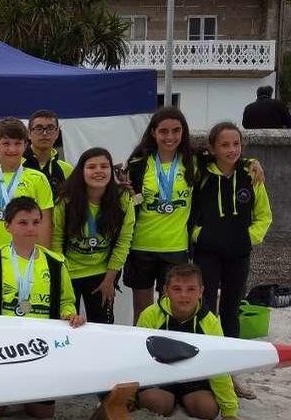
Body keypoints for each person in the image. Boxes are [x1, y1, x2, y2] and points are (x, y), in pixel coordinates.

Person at [0, 196, 84, 420]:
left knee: (42, 414)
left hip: (40, 344)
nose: (30, 228)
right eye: (23, 222)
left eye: (35, 222)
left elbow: (66, 300)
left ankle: (29, 393)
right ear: (7, 226)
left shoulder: (55, 262)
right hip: (1, 346)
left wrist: (69, 314)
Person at [192, 122, 272, 399]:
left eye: (236, 144)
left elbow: (264, 216)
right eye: (224, 145)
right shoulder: (200, 174)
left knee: (231, 310)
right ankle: (204, 374)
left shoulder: (251, 175)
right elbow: (190, 213)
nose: (231, 150)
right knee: (206, 311)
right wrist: (199, 236)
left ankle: (231, 375)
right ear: (212, 148)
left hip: (238, 253)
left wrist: (247, 238)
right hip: (207, 252)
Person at [135, 263, 244, 420]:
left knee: (207, 410)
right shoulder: (149, 316)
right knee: (155, 403)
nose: (184, 296)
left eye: (191, 289)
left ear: (201, 291)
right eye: (177, 289)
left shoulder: (210, 322)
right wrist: (126, 399)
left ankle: (184, 400)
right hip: (160, 378)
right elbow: (135, 357)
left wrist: (230, 410)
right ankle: (169, 400)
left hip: (194, 380)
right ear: (165, 290)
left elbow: (219, 366)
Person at [124, 107, 197, 324]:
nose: (170, 137)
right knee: (143, 313)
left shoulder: (193, 162)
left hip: (175, 248)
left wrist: (251, 164)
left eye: (176, 130)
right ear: (154, 132)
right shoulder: (138, 164)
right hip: (141, 247)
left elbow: (227, 161)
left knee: (173, 312)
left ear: (183, 132)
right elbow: (133, 201)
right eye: (164, 131)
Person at [52, 148, 135, 324]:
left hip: (102, 275)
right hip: (69, 273)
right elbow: (56, 240)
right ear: (81, 171)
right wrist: (61, 278)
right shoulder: (66, 199)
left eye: (104, 166)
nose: (98, 171)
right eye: (91, 167)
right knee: (66, 326)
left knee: (103, 327)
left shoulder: (122, 199)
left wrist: (109, 280)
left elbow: (123, 242)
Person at [0, 117, 54, 250]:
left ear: (25, 145)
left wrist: (42, 259)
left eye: (17, 143)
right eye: (6, 143)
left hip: (28, 259)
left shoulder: (37, 179)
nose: (12, 149)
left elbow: (45, 225)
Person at [22, 109, 74, 201]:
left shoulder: (67, 170)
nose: (45, 133)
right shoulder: (17, 166)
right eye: (39, 128)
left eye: (50, 128)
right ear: (29, 133)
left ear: (57, 133)